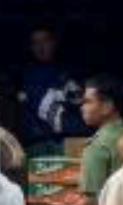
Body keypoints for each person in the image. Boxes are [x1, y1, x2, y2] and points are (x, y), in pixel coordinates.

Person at [19, 23, 87, 158]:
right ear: (30, 48)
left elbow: (80, 103)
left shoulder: (68, 73)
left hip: (67, 143)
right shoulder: (27, 76)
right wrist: (82, 129)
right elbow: (45, 111)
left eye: (45, 40)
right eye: (35, 43)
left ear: (54, 43)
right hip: (37, 146)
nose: (41, 46)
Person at [78, 75, 123, 205]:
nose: (82, 107)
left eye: (88, 102)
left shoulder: (97, 146)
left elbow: (92, 202)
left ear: (107, 107)